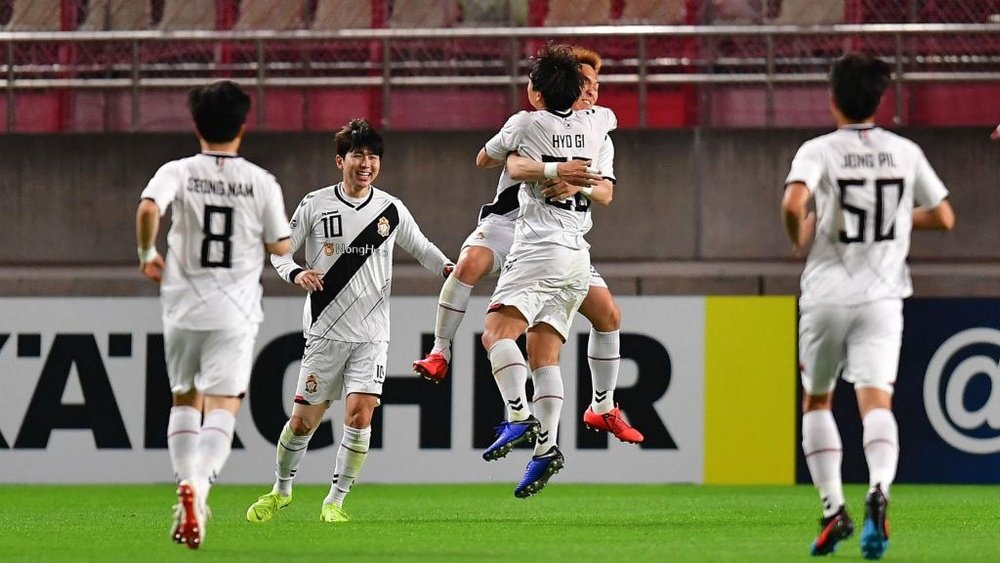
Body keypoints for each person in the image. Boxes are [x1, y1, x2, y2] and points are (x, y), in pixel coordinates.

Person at [412, 45, 643, 445]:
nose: (590, 91)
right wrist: (558, 169)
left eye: (595, 85)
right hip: (510, 224)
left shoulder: (598, 132)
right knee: (471, 267)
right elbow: (514, 166)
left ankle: (593, 412)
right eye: (583, 83)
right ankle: (440, 351)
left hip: (562, 238)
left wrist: (576, 183)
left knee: (606, 315)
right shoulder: (532, 123)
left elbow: (605, 192)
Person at [781, 53, 955, 559]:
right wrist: (899, 218)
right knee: (876, 401)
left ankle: (834, 510)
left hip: (827, 296)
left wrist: (799, 237)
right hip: (883, 297)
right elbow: (944, 217)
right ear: (881, 100)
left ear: (832, 98)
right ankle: (879, 488)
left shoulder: (819, 149)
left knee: (817, 401)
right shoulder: (904, 151)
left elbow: (794, 205)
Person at [245, 119, 453, 524]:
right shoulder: (316, 203)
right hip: (325, 332)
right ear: (340, 160)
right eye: (358, 154)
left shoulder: (390, 210)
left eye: (373, 156)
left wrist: (451, 268)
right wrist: (295, 273)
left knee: (360, 415)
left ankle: (335, 501)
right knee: (303, 423)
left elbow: (423, 248)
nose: (366, 162)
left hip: (372, 335)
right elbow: (279, 251)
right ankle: (281, 490)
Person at [135, 80, 292, 550]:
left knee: (184, 398)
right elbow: (281, 245)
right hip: (234, 312)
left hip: (182, 306)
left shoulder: (178, 171)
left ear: (195, 124)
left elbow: (147, 208)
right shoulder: (261, 182)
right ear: (243, 126)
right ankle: (199, 488)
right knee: (223, 406)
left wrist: (146, 252)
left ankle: (187, 485)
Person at [472, 43, 616, 498]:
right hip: (577, 258)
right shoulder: (599, 124)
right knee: (543, 352)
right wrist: (572, 172)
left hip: (538, 249)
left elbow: (491, 161)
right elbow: (606, 118)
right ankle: (548, 450)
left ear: (535, 92)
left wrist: (549, 166)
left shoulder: (524, 123)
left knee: (495, 335)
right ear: (578, 90)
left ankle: (518, 417)